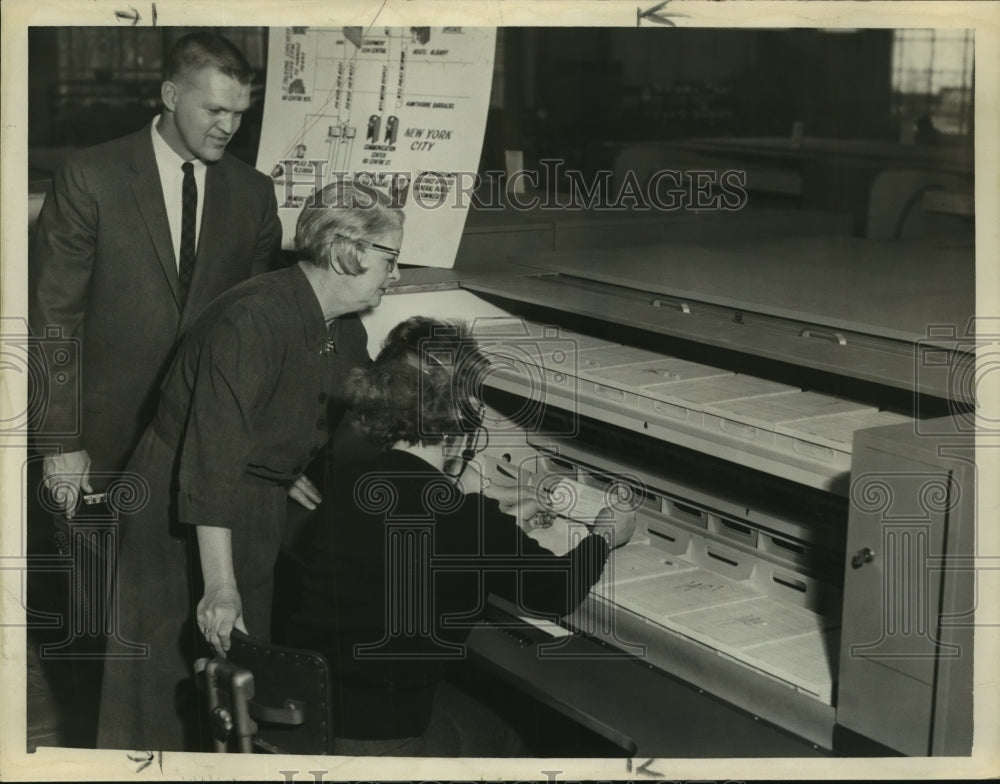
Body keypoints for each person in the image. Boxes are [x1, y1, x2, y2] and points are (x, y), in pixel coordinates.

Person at [96, 179, 403, 751]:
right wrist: (219, 585)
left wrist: (294, 464)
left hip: (252, 498)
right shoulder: (253, 319)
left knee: (233, 685)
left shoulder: (344, 328)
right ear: (346, 250)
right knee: (165, 686)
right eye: (391, 258)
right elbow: (211, 461)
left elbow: (336, 410)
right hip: (179, 504)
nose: (397, 274)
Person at [286, 316, 635, 756]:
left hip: (312, 722)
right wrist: (606, 532)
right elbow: (558, 589)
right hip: (383, 744)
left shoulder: (351, 485)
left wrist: (498, 519)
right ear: (460, 425)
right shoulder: (465, 519)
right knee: (517, 739)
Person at [30, 30, 282, 516]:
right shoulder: (90, 177)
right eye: (214, 110)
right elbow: (53, 318)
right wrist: (61, 440)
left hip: (206, 443)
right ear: (170, 96)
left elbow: (256, 330)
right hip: (101, 443)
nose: (228, 127)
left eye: (239, 113)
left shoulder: (254, 194)